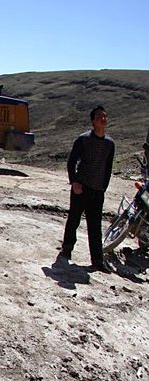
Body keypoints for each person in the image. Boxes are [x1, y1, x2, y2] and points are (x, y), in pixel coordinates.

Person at [60, 105, 115, 272]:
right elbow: (71, 162)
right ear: (93, 121)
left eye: (105, 116)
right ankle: (66, 250)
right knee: (74, 219)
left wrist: (103, 188)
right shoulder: (83, 139)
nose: (103, 119)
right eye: (99, 116)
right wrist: (74, 182)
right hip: (81, 187)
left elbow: (108, 168)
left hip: (97, 191)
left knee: (95, 225)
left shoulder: (110, 144)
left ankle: (97, 261)